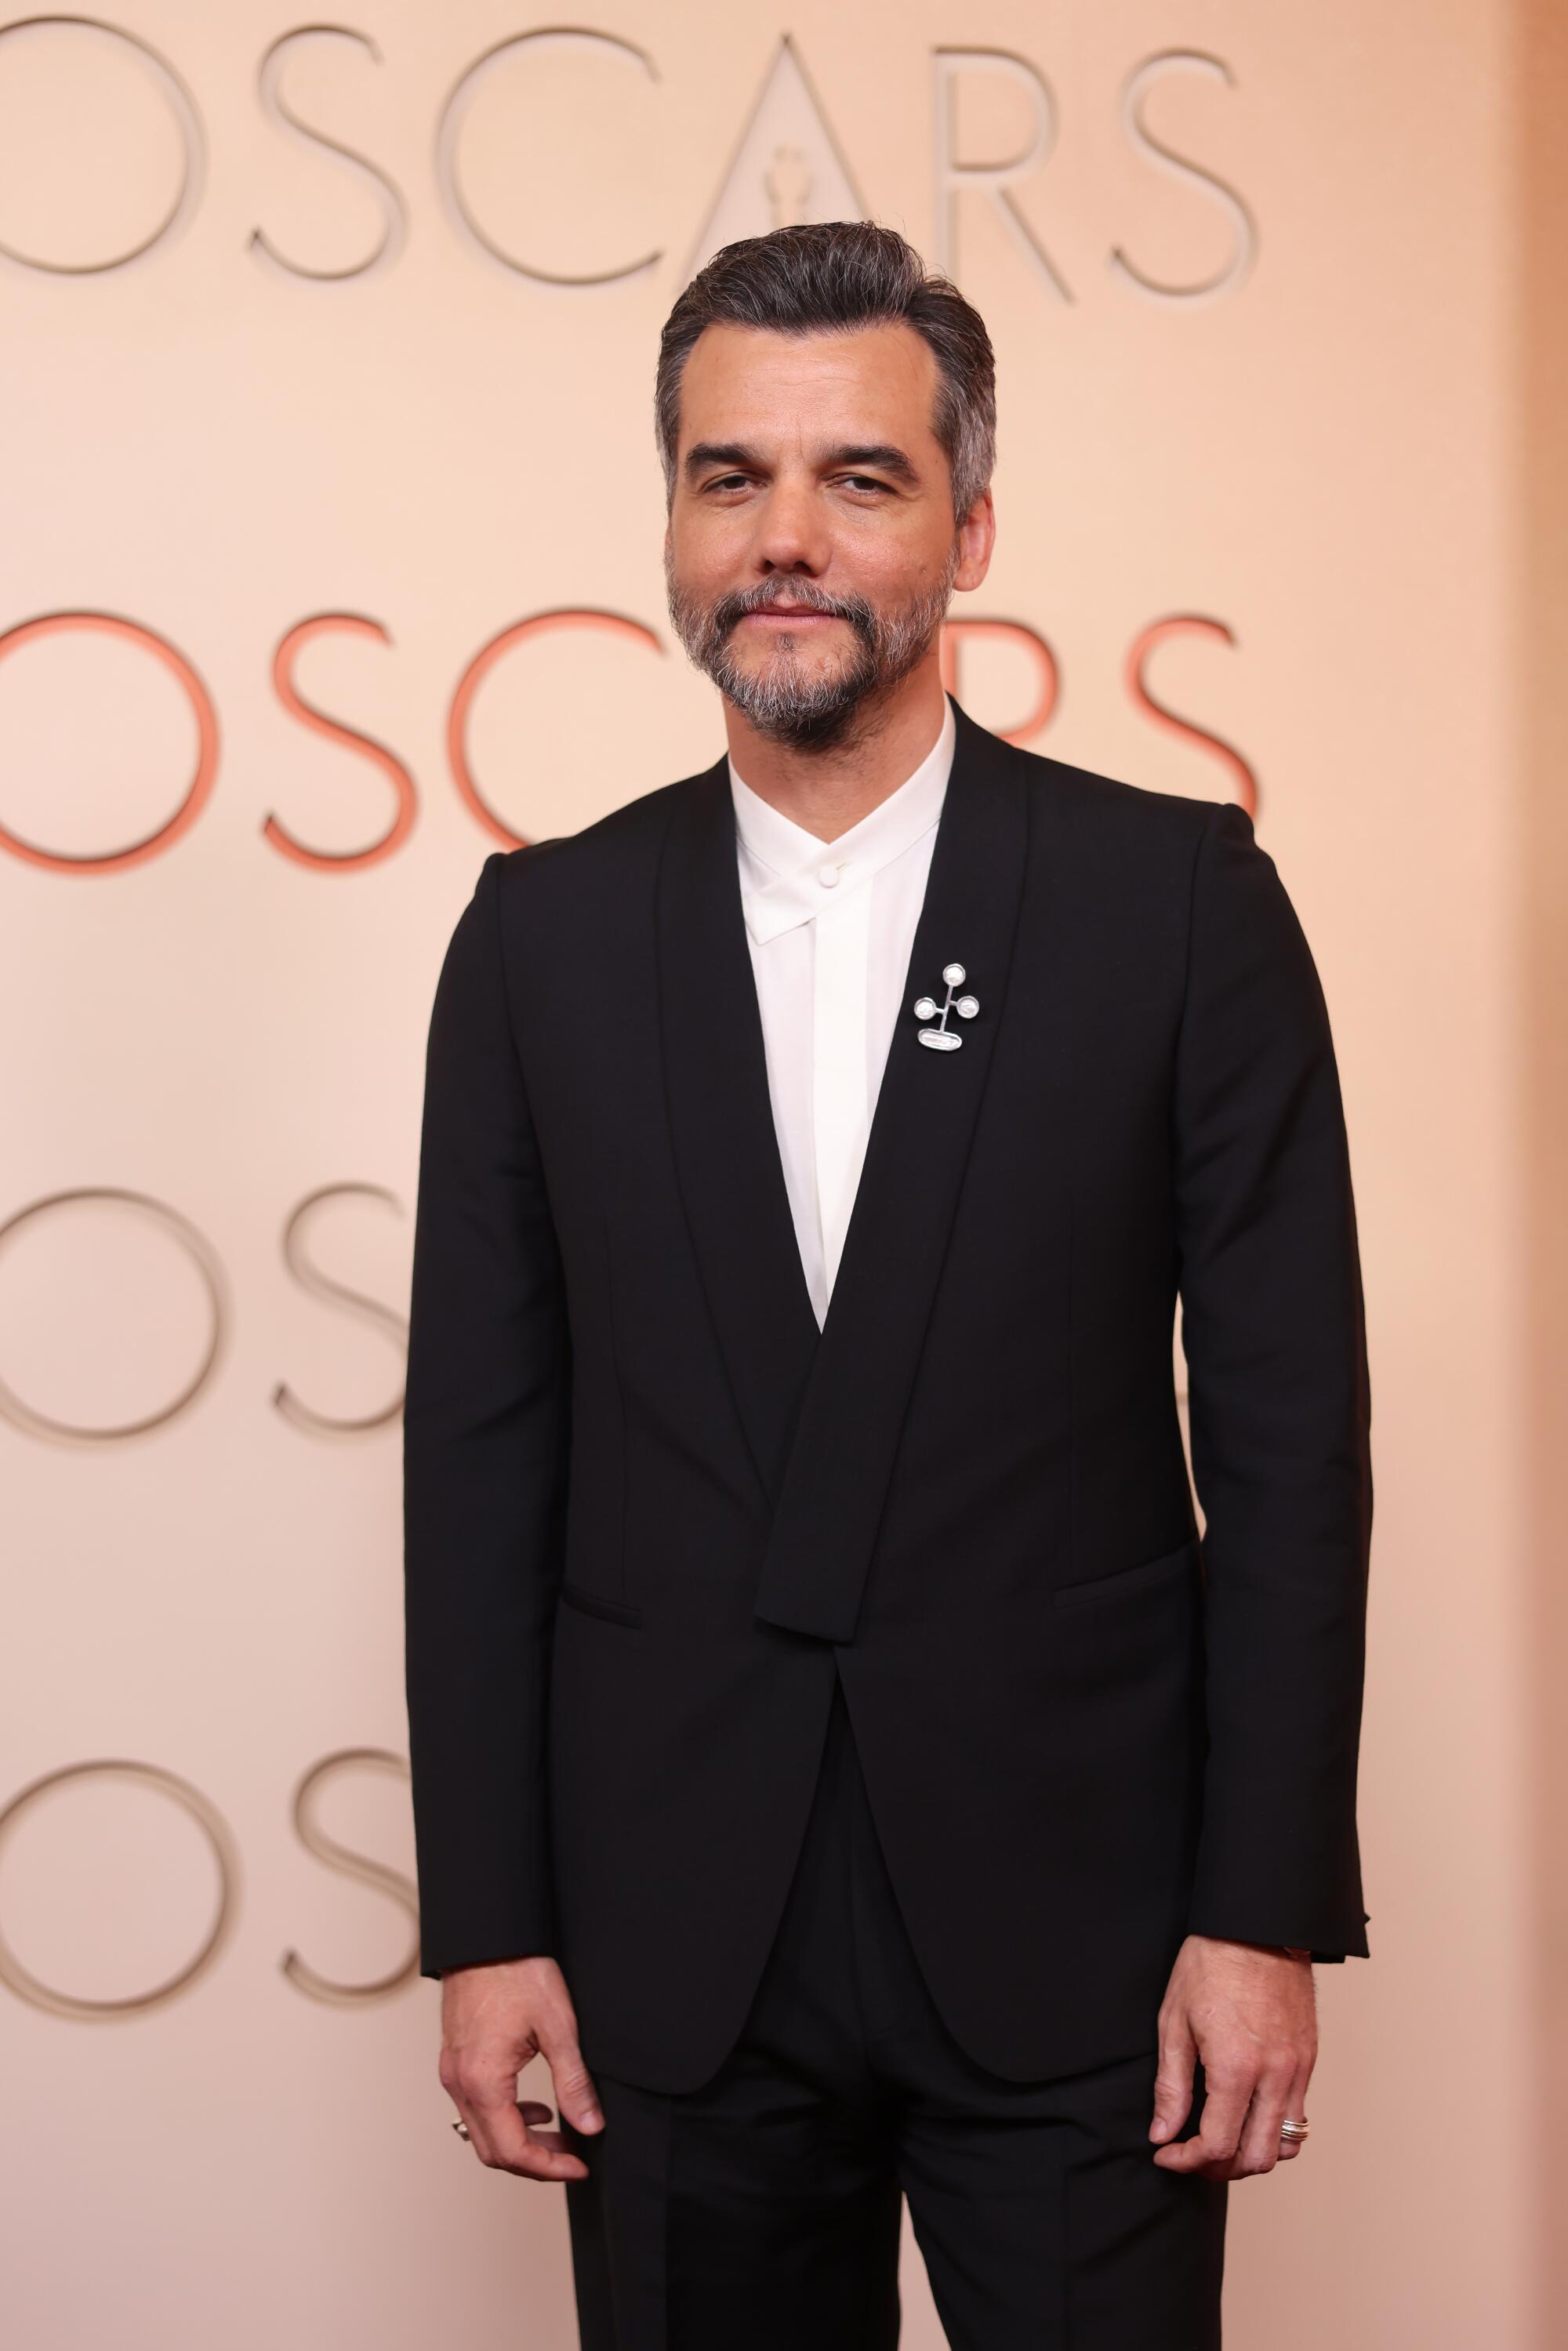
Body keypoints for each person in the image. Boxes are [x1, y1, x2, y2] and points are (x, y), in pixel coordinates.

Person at [402, 220, 1372, 2347]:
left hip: (1092, 1929)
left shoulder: (1176, 906)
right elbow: (482, 1466)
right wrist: (486, 1925)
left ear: (973, 523)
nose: (785, 540)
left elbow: (1295, 1448)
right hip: (669, 1934)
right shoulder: (540, 941)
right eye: (727, 476)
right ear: (669, 518)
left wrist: (1260, 1917)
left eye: (859, 478)